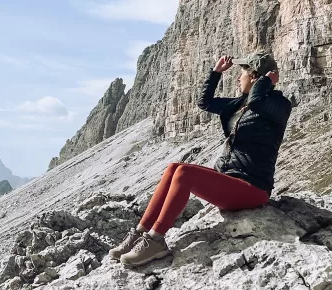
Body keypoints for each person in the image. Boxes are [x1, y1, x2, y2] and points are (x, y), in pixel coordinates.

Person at [110, 49, 294, 267]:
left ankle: (155, 240)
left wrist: (264, 82)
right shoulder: (238, 104)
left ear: (254, 77)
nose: (238, 77)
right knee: (173, 168)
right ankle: (140, 233)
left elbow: (257, 102)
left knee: (185, 174)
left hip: (253, 188)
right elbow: (204, 103)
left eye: (242, 73)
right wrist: (216, 73)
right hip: (231, 179)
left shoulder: (279, 105)